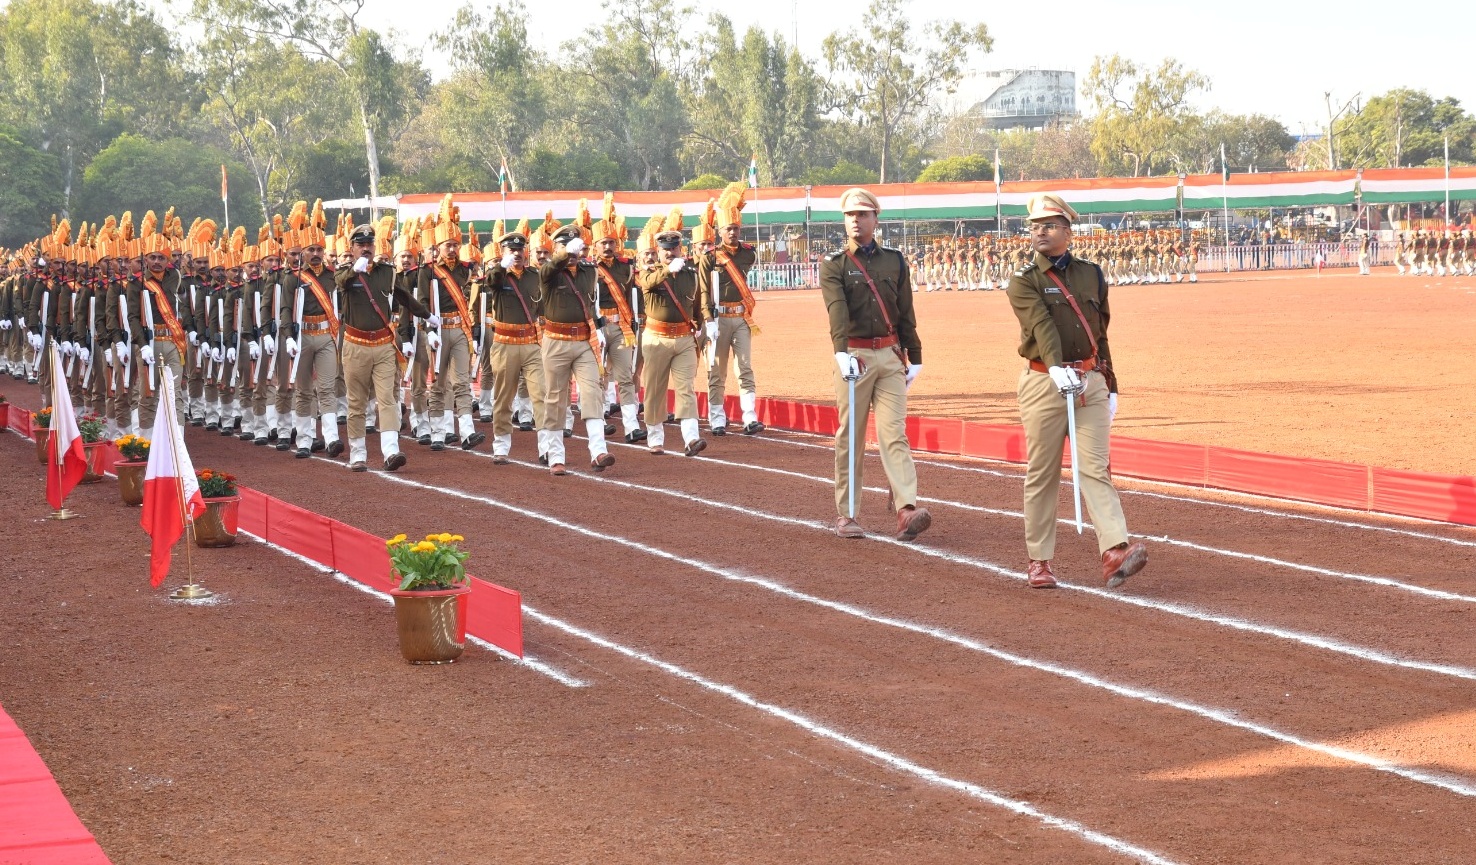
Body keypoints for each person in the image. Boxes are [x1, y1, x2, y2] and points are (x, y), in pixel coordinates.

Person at [1006, 193, 1147, 590]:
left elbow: (1099, 334)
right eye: (1035, 226)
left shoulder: (1092, 275)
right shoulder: (1023, 280)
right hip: (1042, 384)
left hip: (1090, 382)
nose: (1040, 232)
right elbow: (1041, 326)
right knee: (1043, 473)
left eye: (1049, 225)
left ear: (1069, 231)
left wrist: (1111, 384)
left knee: (1095, 468)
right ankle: (1040, 560)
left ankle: (1115, 550)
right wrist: (1054, 367)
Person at [821, 187, 931, 542]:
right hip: (854, 355)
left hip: (890, 354)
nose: (856, 220)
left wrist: (915, 356)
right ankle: (847, 514)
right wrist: (841, 352)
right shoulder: (833, 265)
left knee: (894, 434)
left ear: (875, 219)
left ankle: (905, 510)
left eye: (862, 214)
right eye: (850, 215)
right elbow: (837, 310)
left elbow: (905, 311)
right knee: (850, 436)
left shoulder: (894, 261)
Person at [336, 220, 429, 471]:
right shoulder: (344, 272)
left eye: (369, 244)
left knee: (387, 398)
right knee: (356, 401)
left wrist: (426, 314)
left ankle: (391, 451)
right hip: (355, 344)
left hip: (384, 343)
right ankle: (357, 453)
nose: (366, 248)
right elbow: (341, 284)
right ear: (352, 248)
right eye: (361, 245)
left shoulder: (386, 272)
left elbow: (403, 296)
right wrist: (355, 270)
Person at [538, 222, 615, 475]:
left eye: (575, 245)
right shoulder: (549, 271)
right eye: (564, 245)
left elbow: (591, 305)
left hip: (583, 341)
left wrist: (599, 331)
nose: (572, 250)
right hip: (556, 341)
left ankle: (598, 451)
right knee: (556, 399)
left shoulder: (589, 271)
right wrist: (563, 254)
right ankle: (556, 455)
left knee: (593, 392)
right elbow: (550, 267)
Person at [636, 209, 709, 457]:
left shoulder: (690, 273)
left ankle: (691, 438)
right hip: (656, 338)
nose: (670, 252)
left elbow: (696, 301)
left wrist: (701, 324)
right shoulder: (649, 271)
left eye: (674, 248)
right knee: (656, 388)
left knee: (685, 387)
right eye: (665, 249)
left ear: (681, 248)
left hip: (684, 338)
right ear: (658, 250)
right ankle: (655, 438)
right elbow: (647, 283)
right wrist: (668, 269)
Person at [697, 182, 766, 436]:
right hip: (718, 318)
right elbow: (704, 291)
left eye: (736, 228)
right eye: (728, 229)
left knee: (745, 368)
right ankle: (717, 418)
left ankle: (749, 417)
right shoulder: (710, 257)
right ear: (719, 231)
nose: (733, 233)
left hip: (741, 318)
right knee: (716, 371)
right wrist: (708, 319)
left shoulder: (749, 254)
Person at [481, 220, 547, 464]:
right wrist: (501, 266)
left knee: (541, 395)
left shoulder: (534, 276)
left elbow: (542, 306)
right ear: (504, 252)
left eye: (520, 250)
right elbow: (491, 283)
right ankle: (501, 445)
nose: (517, 254)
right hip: (505, 343)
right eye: (511, 250)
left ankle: (547, 447)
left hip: (532, 343)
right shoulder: (497, 275)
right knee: (504, 397)